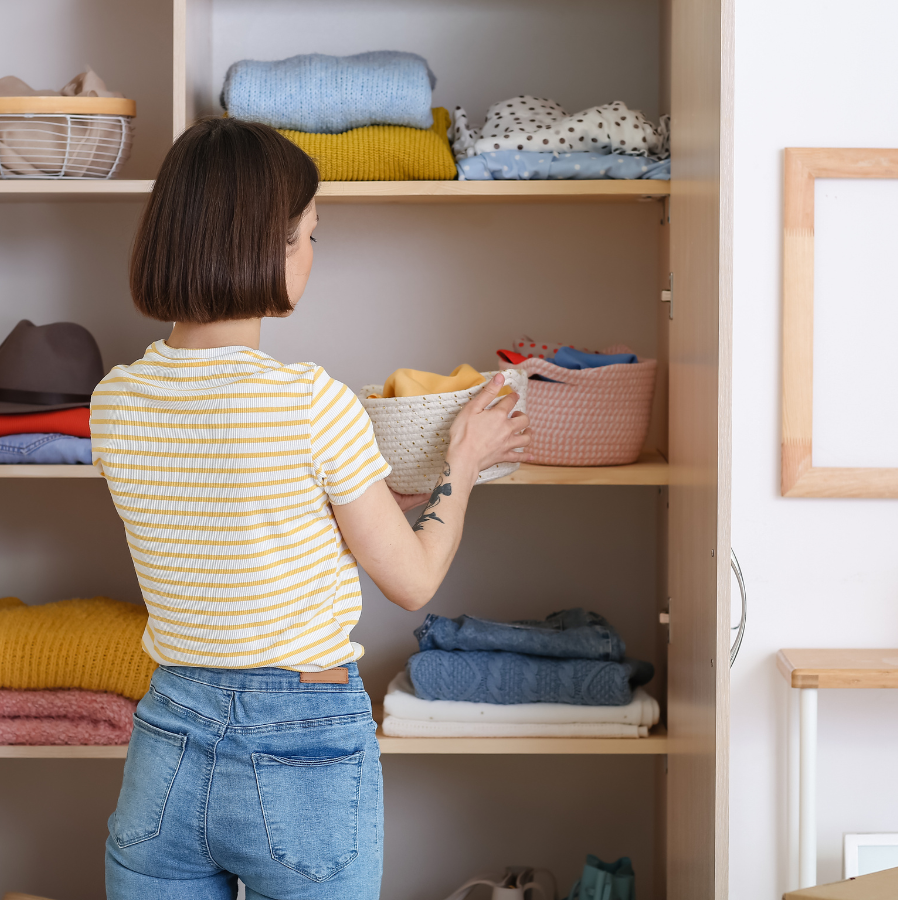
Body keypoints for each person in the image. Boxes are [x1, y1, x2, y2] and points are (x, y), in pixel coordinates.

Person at [92, 117, 529, 900]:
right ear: (267, 246)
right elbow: (413, 581)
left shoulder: (115, 402)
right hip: (301, 746)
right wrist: (465, 460)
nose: (313, 256)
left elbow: (236, 514)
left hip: (167, 739)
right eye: (310, 235)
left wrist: (359, 497)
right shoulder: (310, 403)